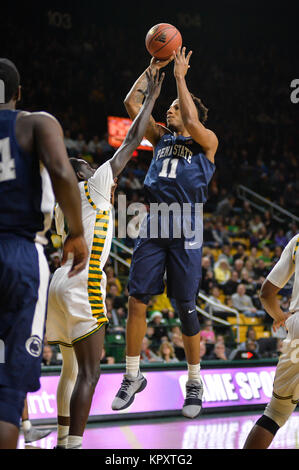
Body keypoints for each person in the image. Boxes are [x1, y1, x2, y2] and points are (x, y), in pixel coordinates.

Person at [46, 68, 165, 449]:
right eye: (87, 164)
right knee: (90, 373)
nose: (97, 169)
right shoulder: (91, 184)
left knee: (70, 368)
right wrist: (150, 100)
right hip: (83, 279)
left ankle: (64, 438)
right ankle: (74, 443)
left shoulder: (59, 206)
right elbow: (132, 139)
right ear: (82, 174)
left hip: (58, 282)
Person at [112, 46, 218, 419]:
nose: (169, 111)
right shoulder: (159, 138)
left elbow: (190, 116)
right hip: (155, 219)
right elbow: (131, 103)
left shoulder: (207, 142)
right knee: (137, 298)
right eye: (169, 107)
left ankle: (193, 381)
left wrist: (179, 78)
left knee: (185, 306)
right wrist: (152, 69)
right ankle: (131, 375)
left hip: (187, 222)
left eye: (174, 107)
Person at [0, 58, 88, 449]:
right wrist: (76, 232)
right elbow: (61, 169)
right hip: (19, 252)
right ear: (18, 94)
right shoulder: (35, 122)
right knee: (7, 397)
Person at [243, 233, 299, 449]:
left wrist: (279, 317)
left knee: (274, 413)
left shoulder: (296, 241)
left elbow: (266, 293)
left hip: (296, 325)